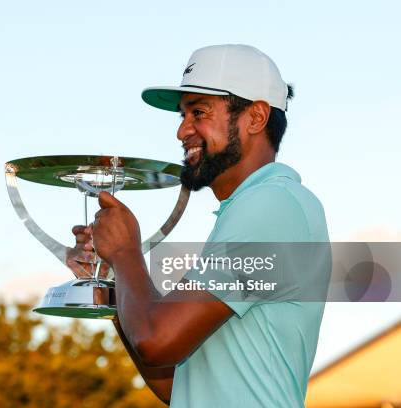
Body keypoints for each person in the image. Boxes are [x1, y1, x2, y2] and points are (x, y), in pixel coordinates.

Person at [70, 44, 329, 407]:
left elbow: (156, 341)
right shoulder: (256, 208)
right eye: (183, 115)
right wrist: (113, 275)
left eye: (199, 112)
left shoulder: (272, 205)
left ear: (256, 117)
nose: (182, 131)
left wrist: (126, 252)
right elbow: (176, 386)